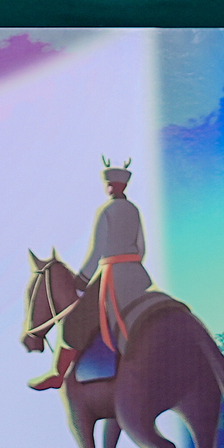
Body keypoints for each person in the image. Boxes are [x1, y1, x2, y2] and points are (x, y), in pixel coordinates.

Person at [31, 159, 155, 392]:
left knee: (75, 323)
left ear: (111, 186)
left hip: (112, 275)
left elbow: (97, 250)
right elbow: (141, 247)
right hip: (138, 275)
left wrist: (81, 282)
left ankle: (58, 374)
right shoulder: (134, 209)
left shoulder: (105, 210)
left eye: (109, 184)